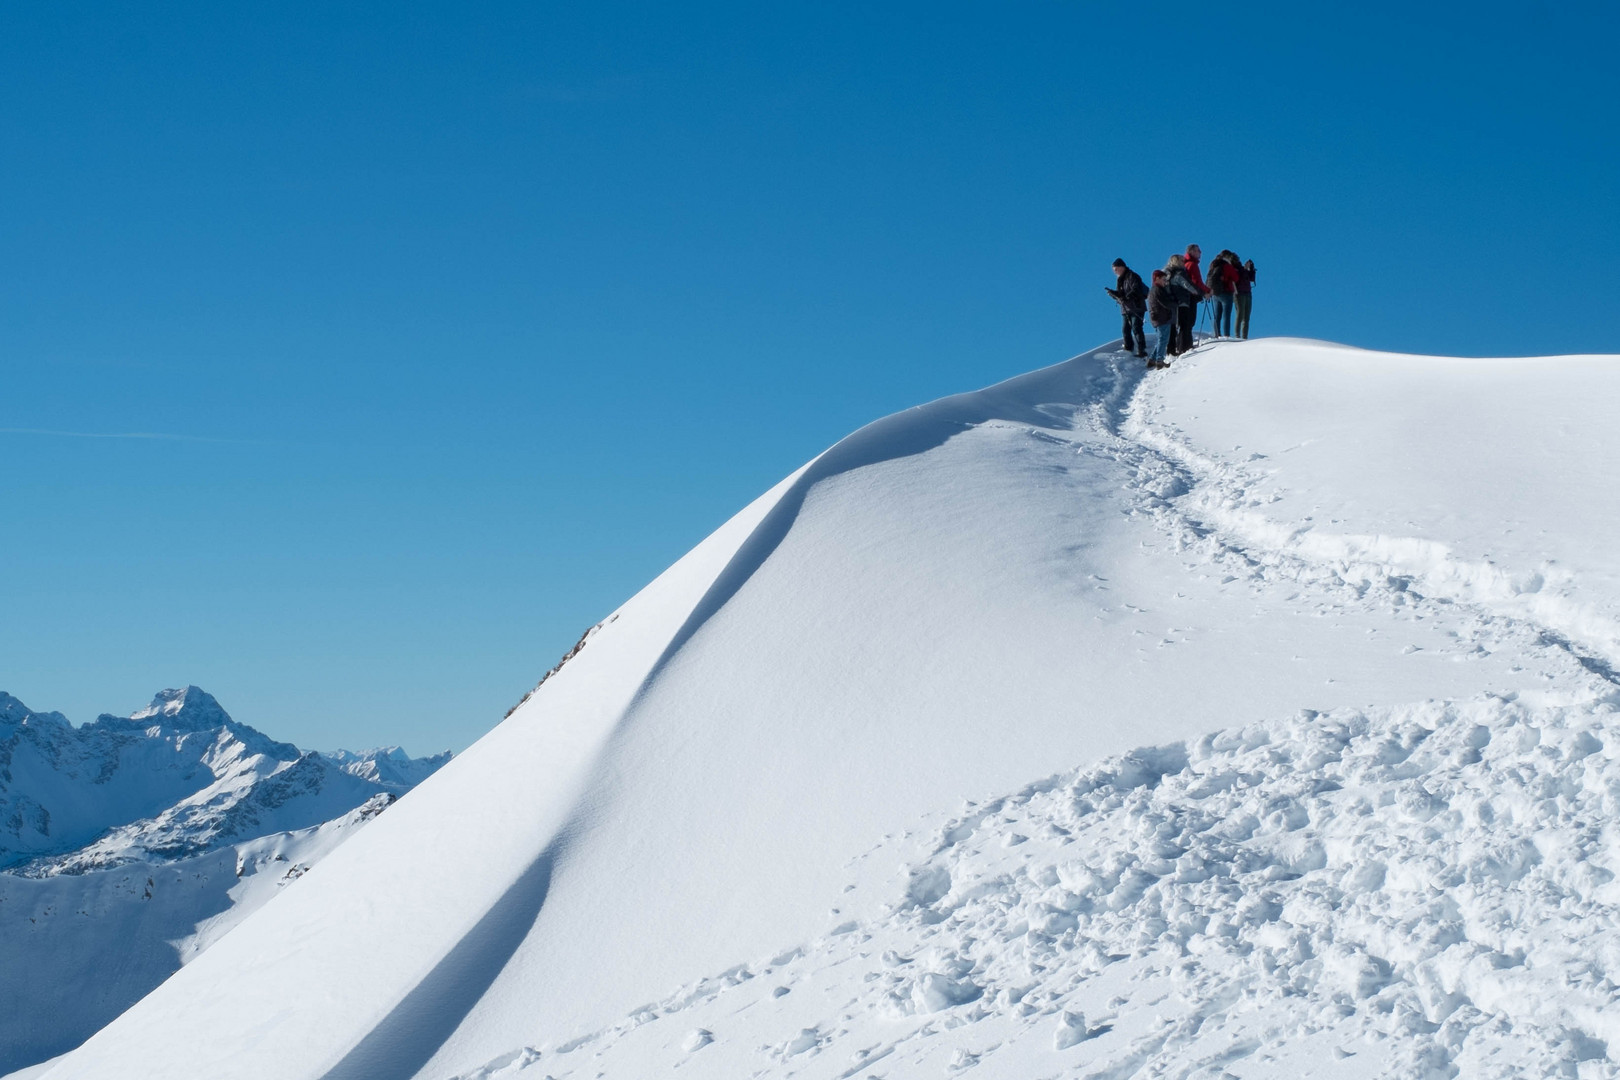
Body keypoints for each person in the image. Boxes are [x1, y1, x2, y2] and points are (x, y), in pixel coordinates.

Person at [1105, 258, 1148, 357]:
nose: (1115, 271)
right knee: (1125, 329)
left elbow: (1135, 290)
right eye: (1114, 270)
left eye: (1116, 269)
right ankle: (1129, 348)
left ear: (1122, 267)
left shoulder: (1132, 276)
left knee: (1136, 327)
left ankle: (1142, 349)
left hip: (1136, 307)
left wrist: (1125, 297)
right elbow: (1121, 294)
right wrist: (1113, 294)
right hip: (1126, 308)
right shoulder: (1120, 279)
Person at [1165, 254, 1201, 355]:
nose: (1184, 263)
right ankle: (1184, 347)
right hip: (1182, 302)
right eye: (1182, 261)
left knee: (1175, 326)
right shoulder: (1179, 274)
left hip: (1171, 303)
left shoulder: (1166, 273)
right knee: (1185, 325)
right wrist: (1197, 292)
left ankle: (1173, 348)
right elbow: (1188, 285)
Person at [1206, 250, 1239, 338]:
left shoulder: (1213, 265)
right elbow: (1235, 278)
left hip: (1215, 293)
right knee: (1226, 315)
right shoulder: (1227, 266)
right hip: (1226, 292)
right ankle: (1226, 335)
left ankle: (1216, 334)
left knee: (1217, 315)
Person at [1147, 269, 1175, 367]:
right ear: (1157, 278)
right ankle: (1159, 360)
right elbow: (1164, 302)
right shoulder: (1157, 289)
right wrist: (1174, 304)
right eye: (1163, 279)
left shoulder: (1154, 289)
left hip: (1158, 317)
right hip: (1162, 317)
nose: (1165, 281)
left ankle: (1152, 359)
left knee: (1161, 339)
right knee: (1163, 339)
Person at [1235, 257, 1256, 339]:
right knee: (1240, 315)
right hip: (1240, 293)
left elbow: (1252, 279)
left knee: (1246, 317)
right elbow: (1238, 278)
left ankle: (1244, 337)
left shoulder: (1246, 271)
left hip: (1247, 293)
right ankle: (1237, 335)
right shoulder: (1238, 270)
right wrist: (1244, 268)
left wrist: (1252, 270)